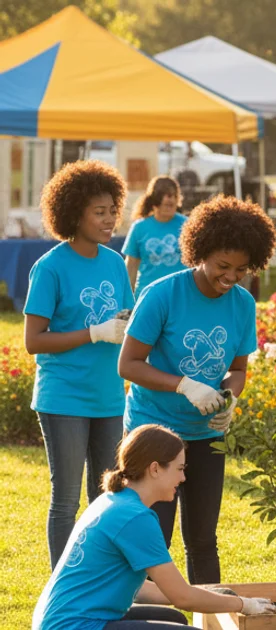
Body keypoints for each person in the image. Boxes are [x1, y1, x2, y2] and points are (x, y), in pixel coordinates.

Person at [118, 195, 276, 585]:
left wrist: (229, 396)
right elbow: (128, 364)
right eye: (223, 266)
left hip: (206, 434)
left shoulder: (242, 303)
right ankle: (150, 620)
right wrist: (185, 385)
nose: (231, 276)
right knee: (153, 540)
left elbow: (237, 369)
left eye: (241, 269)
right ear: (200, 252)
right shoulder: (162, 294)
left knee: (203, 539)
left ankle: (209, 620)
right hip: (154, 433)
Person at [33, 425, 276, 629]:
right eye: (180, 469)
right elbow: (181, 597)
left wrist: (209, 594)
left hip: (57, 620)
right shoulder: (135, 517)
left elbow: (143, 589)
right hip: (75, 625)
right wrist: (245, 605)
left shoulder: (113, 500)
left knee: (174, 619)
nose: (183, 479)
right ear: (155, 469)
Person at [24, 160, 135, 569]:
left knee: (107, 497)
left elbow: (125, 320)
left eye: (112, 210)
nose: (109, 220)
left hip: (108, 396)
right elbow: (33, 341)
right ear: (73, 213)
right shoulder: (50, 267)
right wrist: (93, 333)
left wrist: (125, 328)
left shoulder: (114, 262)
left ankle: (97, 576)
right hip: (64, 397)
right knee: (67, 499)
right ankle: (62, 584)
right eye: (98, 212)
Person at [123, 177, 187, 294]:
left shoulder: (187, 225)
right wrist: (128, 300)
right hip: (148, 295)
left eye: (174, 196)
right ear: (154, 200)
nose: (171, 199)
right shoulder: (139, 227)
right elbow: (131, 266)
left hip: (181, 295)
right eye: (166, 196)